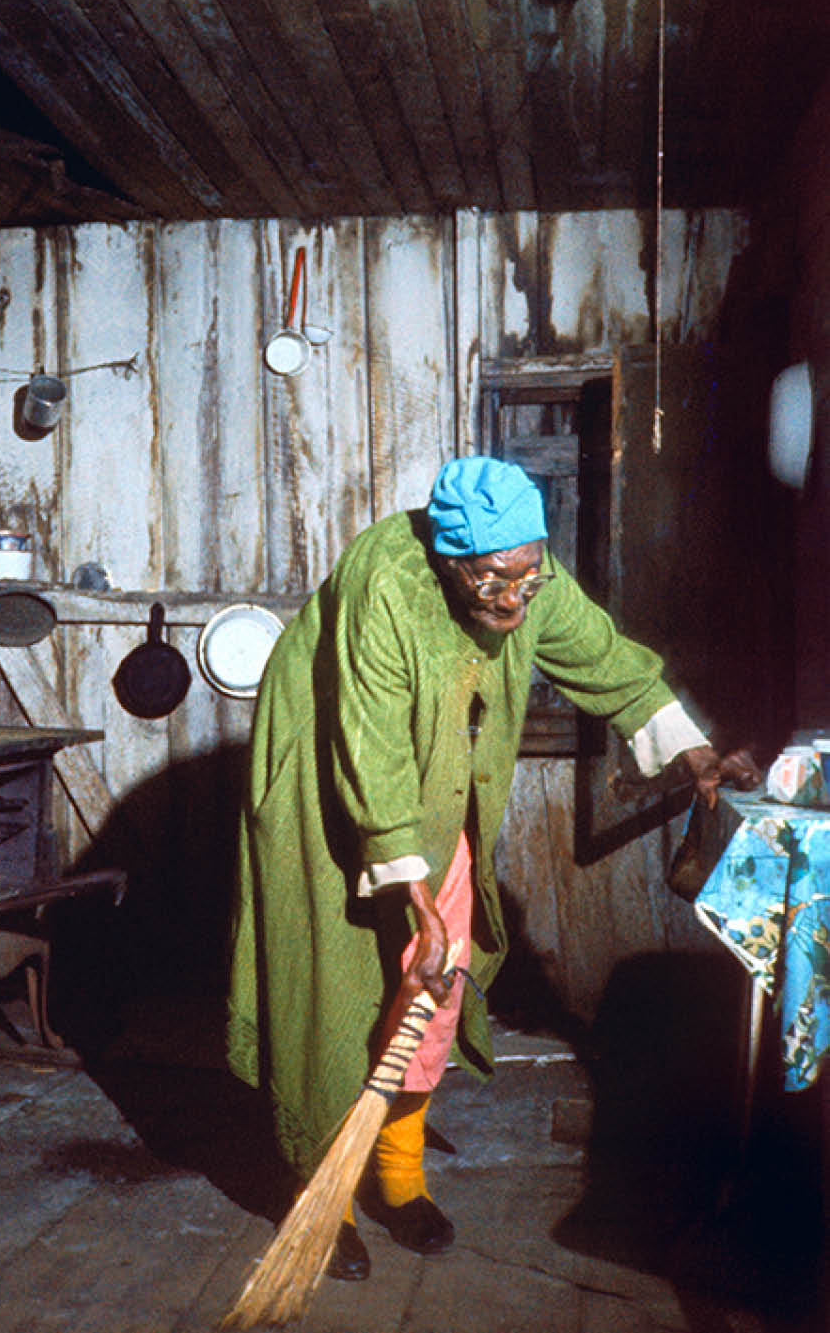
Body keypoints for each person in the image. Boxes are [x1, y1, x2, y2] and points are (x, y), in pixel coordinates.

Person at [225, 455, 757, 1281]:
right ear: (448, 559)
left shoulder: (524, 572)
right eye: (494, 581)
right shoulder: (387, 581)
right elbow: (365, 738)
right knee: (329, 991)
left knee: (435, 978)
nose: (514, 597)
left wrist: (692, 750)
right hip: (322, 783)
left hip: (425, 783)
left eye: (528, 576)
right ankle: (315, 1194)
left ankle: (398, 1175)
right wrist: (409, 883)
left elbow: (600, 653)